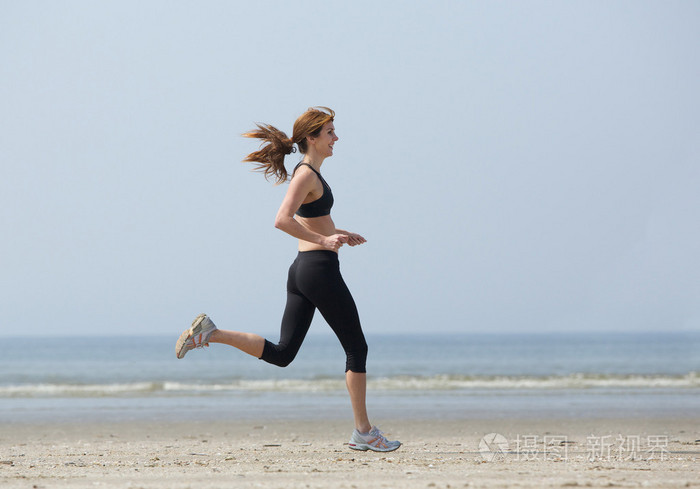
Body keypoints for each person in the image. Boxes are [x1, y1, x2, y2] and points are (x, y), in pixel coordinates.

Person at [175, 106, 400, 452]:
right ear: (311, 138)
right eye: (329, 132)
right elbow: (281, 219)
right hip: (318, 271)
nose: (336, 138)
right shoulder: (306, 174)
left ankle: (211, 333)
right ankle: (364, 431)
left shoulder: (310, 173)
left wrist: (339, 233)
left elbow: (310, 222)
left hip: (304, 270)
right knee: (357, 348)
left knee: (283, 354)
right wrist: (326, 242)